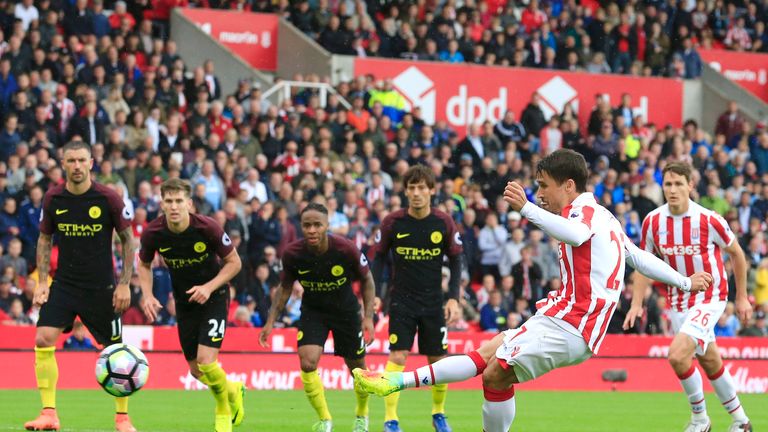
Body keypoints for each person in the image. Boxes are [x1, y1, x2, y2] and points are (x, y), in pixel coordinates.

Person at [354, 149, 712, 432]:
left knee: (495, 373)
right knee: (487, 353)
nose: (540, 193)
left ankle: (397, 382)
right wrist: (684, 281)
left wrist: (525, 208)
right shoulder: (604, 217)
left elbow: (576, 235)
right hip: (561, 316)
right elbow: (638, 258)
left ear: (568, 186)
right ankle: (395, 381)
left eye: (544, 185)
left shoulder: (584, 215)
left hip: (575, 323)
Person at [626, 162, 753, 432]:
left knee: (677, 356)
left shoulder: (708, 219)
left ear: (690, 186)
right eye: (668, 184)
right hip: (678, 301)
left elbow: (737, 254)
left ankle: (700, 420)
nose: (673, 190)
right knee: (709, 359)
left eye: (678, 184)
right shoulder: (653, 221)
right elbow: (642, 264)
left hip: (711, 297)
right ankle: (741, 422)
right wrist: (636, 304)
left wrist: (742, 297)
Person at [26, 140, 138, 432]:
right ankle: (49, 413)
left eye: (81, 160)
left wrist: (124, 284)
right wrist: (41, 282)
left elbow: (128, 241)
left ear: (91, 163)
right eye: (71, 161)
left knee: (116, 350)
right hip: (64, 282)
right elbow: (44, 239)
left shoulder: (108, 198)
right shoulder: (53, 199)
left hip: (101, 287)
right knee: (43, 338)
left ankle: (122, 419)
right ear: (63, 164)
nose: (76, 166)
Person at [138, 178, 245, 432]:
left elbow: (234, 263)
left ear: (189, 203)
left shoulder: (207, 227)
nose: (174, 206)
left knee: (208, 361)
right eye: (168, 201)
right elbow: (143, 264)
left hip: (214, 297)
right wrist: (147, 294)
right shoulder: (154, 232)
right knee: (197, 371)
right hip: (186, 303)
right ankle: (234, 388)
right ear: (162, 204)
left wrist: (208, 287)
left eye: (178, 201)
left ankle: (223, 409)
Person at [258, 203, 376, 432]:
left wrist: (368, 316)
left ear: (327, 225)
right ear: (301, 226)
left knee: (358, 370)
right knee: (307, 361)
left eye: (317, 225)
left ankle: (362, 415)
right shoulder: (293, 254)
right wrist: (270, 321)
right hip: (314, 311)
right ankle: (325, 419)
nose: (312, 229)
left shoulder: (345, 248)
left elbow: (368, 280)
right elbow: (284, 288)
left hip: (346, 312)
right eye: (307, 225)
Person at [370, 165, 464, 432]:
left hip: (434, 302)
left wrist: (454, 298)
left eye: (422, 187)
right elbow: (377, 258)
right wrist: (375, 294)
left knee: (438, 362)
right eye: (411, 187)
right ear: (405, 191)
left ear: (432, 191)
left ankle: (438, 413)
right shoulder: (392, 222)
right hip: (401, 301)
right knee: (398, 356)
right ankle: (390, 419)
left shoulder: (443, 222)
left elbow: (457, 259)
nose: (416, 193)